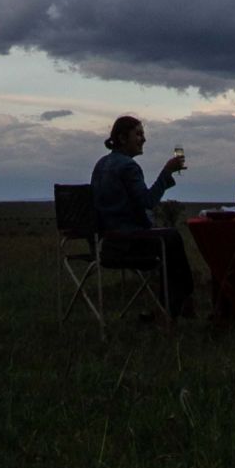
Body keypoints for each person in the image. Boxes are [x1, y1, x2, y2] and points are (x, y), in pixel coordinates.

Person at [90, 116, 194, 318]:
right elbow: (148, 201)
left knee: (169, 239)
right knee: (172, 239)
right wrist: (166, 172)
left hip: (105, 244)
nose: (143, 139)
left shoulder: (101, 165)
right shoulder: (128, 167)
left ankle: (174, 306)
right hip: (128, 243)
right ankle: (176, 306)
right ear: (122, 138)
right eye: (138, 134)